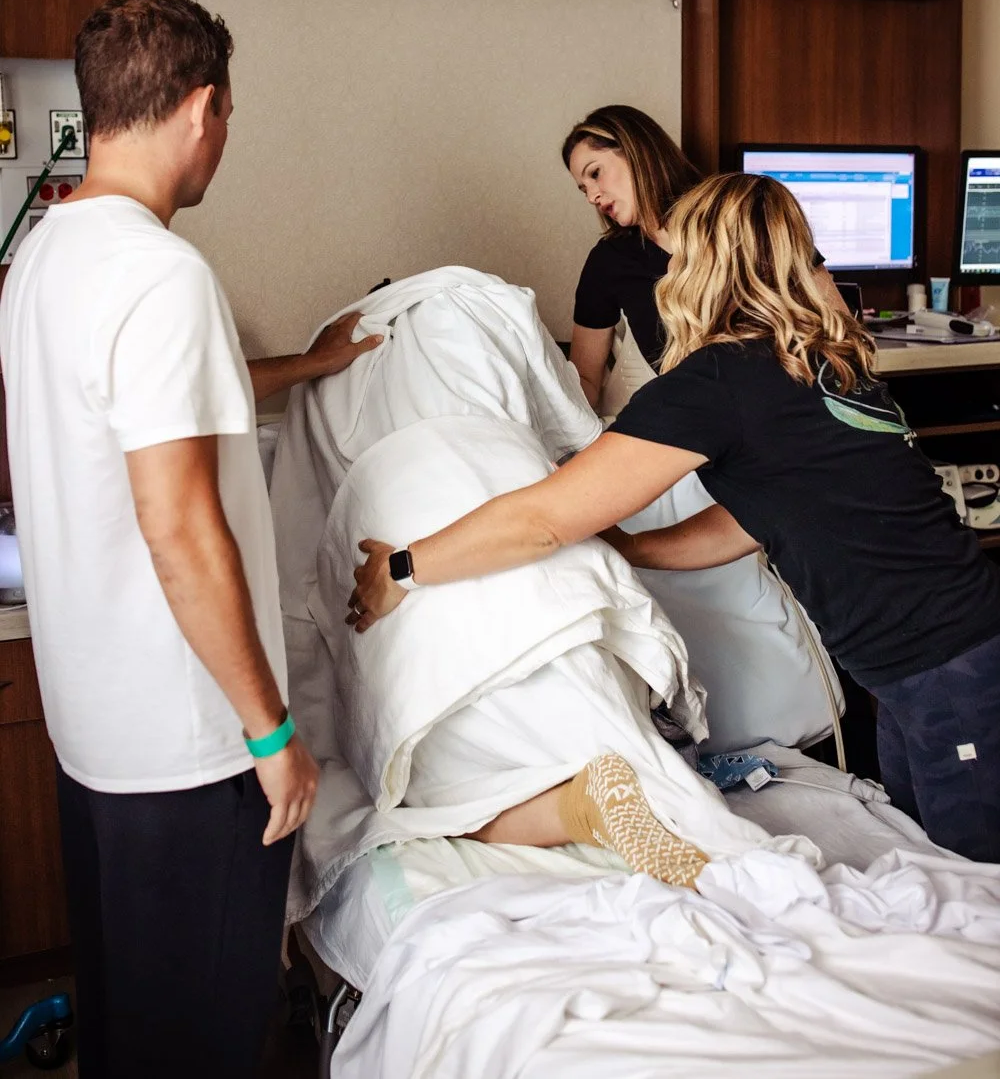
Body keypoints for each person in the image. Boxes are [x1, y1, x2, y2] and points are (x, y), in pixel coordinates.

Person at [350, 172, 1000, 864]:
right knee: (938, 865)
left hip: (947, 669)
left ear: (693, 263)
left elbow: (541, 520)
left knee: (978, 885)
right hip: (931, 660)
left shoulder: (721, 382)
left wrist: (402, 568)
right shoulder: (815, 357)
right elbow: (754, 521)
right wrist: (629, 549)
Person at [0, 0, 381, 1079]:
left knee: (133, 1019)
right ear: (205, 108)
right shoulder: (165, 275)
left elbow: (144, 407)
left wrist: (310, 366)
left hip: (95, 738)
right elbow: (178, 526)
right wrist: (272, 736)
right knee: (207, 1036)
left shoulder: (45, 255)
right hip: (187, 749)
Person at [563, 104, 841, 408]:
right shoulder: (610, 261)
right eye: (583, 189)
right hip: (702, 419)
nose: (592, 196)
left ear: (634, 150)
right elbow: (585, 380)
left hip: (790, 406)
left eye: (595, 173)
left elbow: (837, 323)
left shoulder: (741, 213)